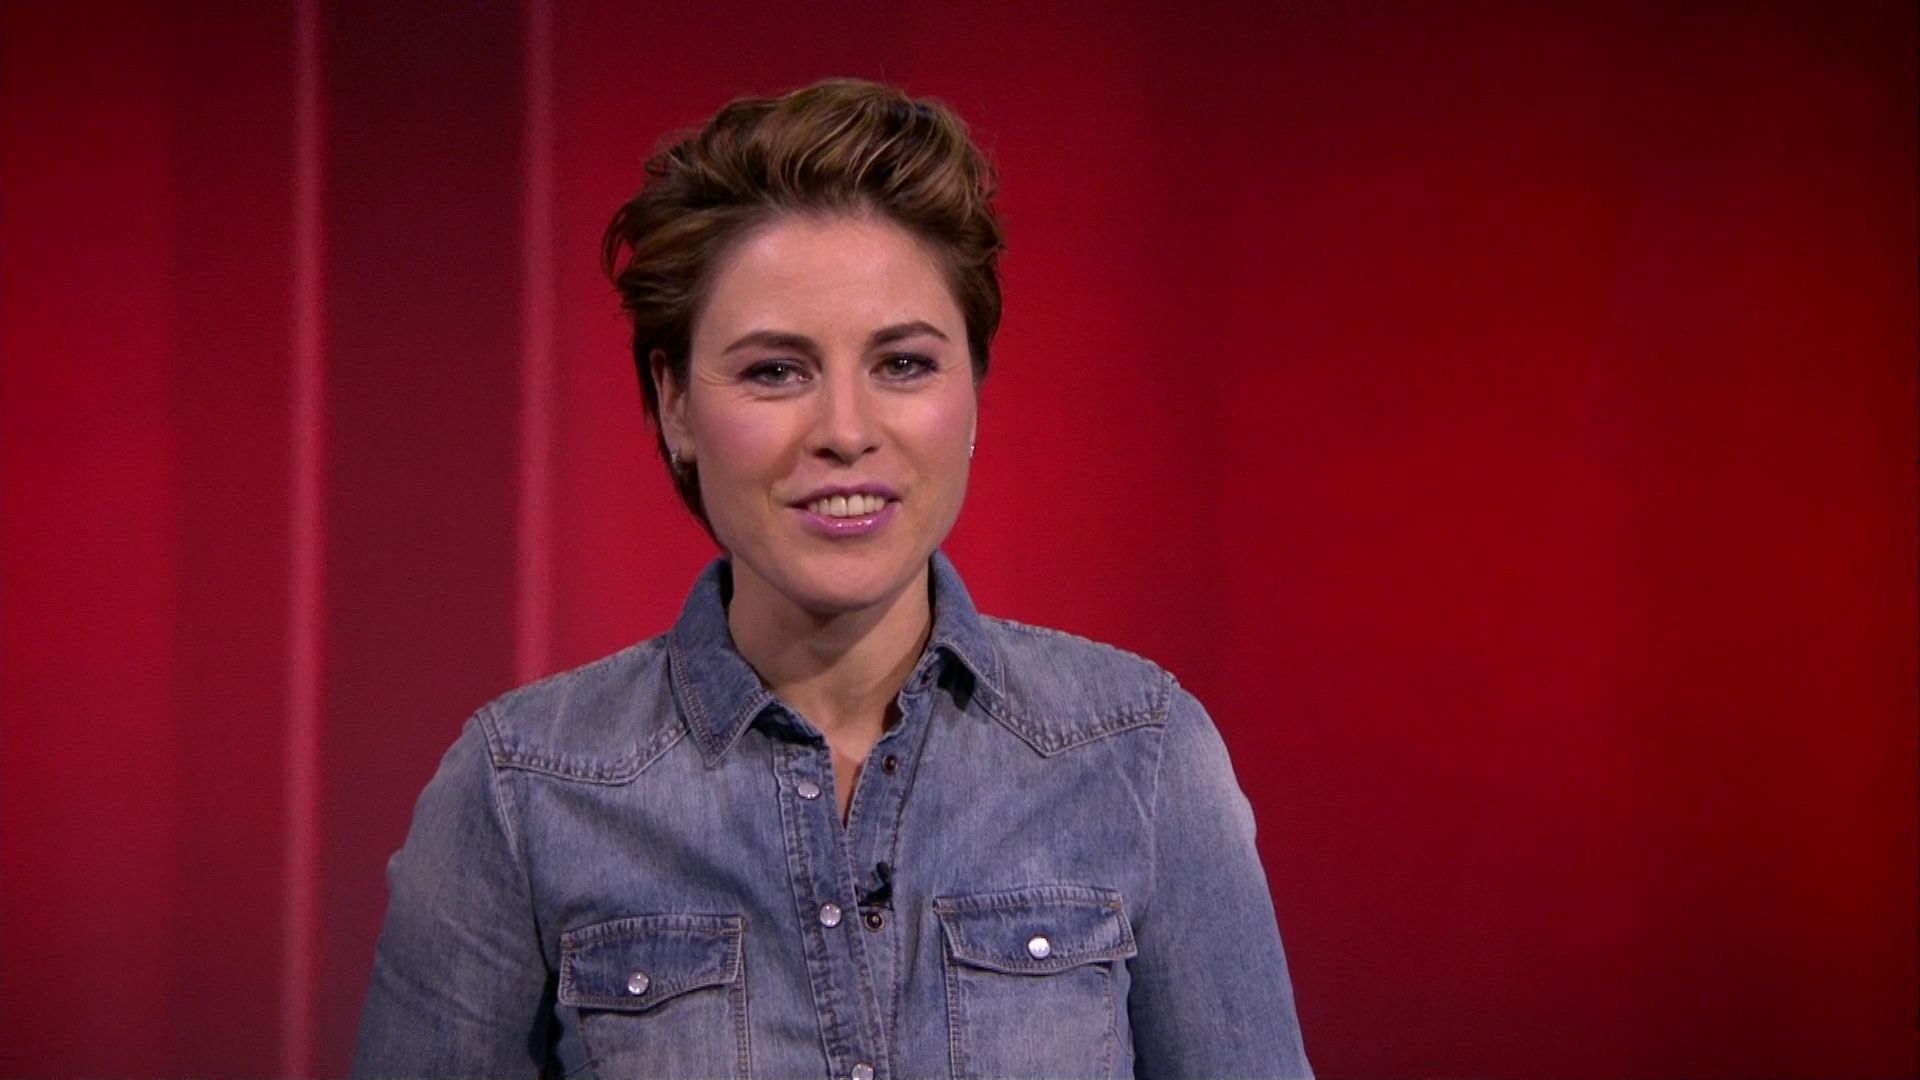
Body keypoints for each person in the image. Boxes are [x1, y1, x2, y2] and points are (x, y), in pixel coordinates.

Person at [352, 78, 1311, 1079]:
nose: (846, 432)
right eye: (775, 371)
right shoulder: (522, 789)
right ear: (674, 403)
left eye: (903, 364)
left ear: (973, 391)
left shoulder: (1140, 755)